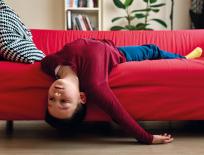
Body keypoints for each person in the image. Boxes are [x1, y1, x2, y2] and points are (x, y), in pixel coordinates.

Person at [41, 38, 202, 144]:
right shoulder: (94, 84)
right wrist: (147, 138)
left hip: (104, 43)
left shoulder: (48, 65)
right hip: (118, 54)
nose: (56, 95)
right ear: (82, 97)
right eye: (64, 101)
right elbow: (117, 112)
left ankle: (182, 58)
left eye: (51, 100)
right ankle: (184, 59)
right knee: (152, 50)